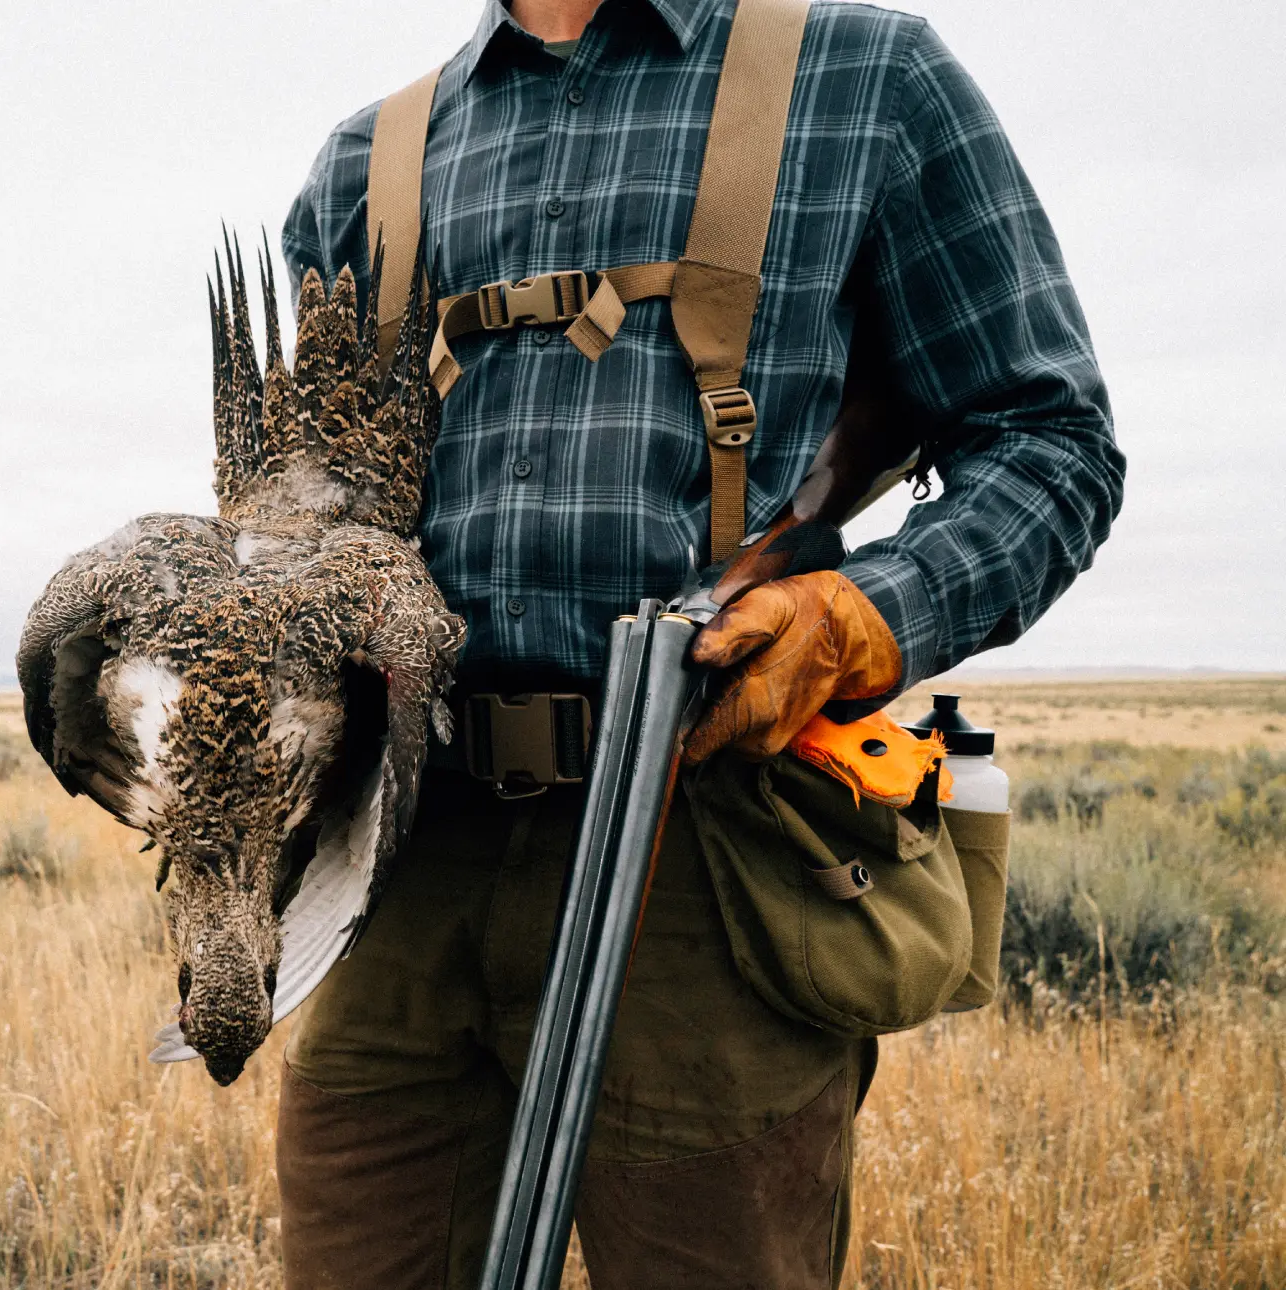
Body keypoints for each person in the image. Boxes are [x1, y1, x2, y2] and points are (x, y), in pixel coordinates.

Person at [273, 0, 1124, 1285]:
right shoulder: (364, 161)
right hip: (399, 866)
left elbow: (1047, 443)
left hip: (701, 852)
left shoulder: (862, 76)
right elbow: (300, 515)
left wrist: (854, 617)